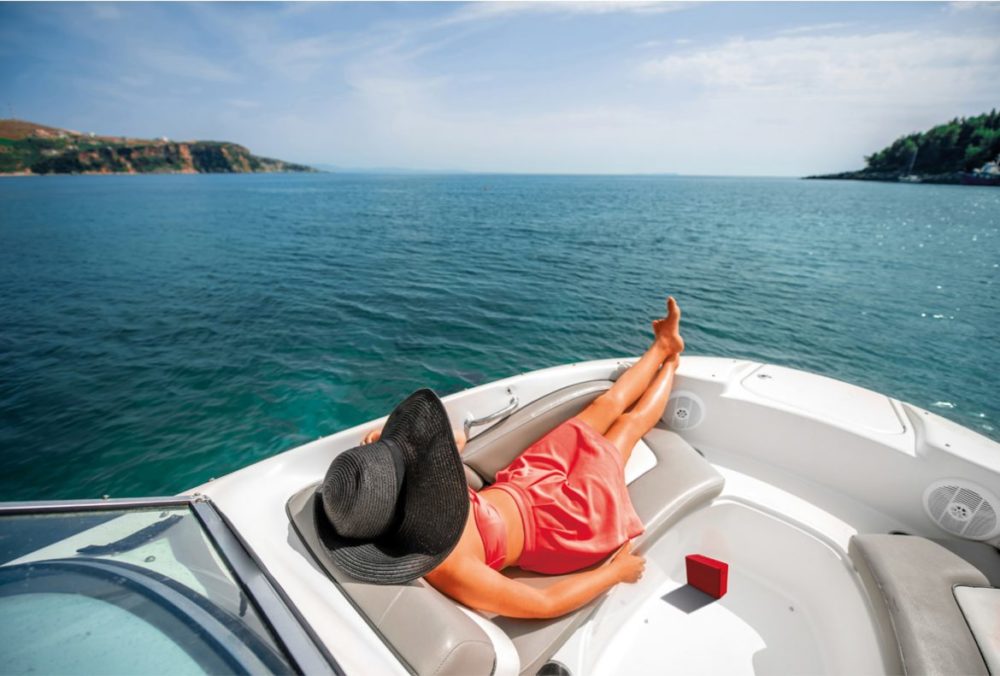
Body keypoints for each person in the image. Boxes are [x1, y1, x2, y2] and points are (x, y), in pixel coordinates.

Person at [314, 297, 684, 620]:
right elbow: (543, 603)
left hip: (525, 477)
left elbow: (456, 438)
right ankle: (671, 363)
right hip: (563, 521)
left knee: (603, 405)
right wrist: (614, 573)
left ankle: (663, 345)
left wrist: (394, 445)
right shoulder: (446, 565)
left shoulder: (413, 492)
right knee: (626, 428)